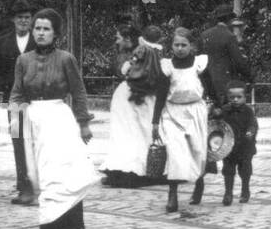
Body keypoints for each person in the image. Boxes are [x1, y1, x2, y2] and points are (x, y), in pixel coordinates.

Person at [10, 8, 100, 229]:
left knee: (60, 171)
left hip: (60, 120)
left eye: (46, 29)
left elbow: (78, 92)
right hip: (33, 121)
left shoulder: (66, 59)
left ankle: (48, 228)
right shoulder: (23, 61)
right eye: (37, 28)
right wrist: (16, 115)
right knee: (39, 173)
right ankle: (53, 221)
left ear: (55, 33)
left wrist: (83, 123)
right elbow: (17, 94)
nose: (40, 33)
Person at [152, 27, 216, 214]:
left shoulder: (199, 64)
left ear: (192, 46)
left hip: (195, 111)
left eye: (184, 45)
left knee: (197, 150)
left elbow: (210, 87)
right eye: (176, 44)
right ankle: (173, 194)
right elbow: (161, 94)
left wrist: (218, 105)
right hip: (172, 113)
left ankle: (199, 182)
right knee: (175, 152)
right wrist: (155, 121)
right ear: (171, 46)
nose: (179, 48)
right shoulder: (167, 66)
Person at [103, 24, 161, 187]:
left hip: (132, 95)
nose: (116, 41)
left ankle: (131, 169)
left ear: (128, 39)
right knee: (138, 132)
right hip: (143, 96)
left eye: (118, 38)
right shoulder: (151, 52)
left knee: (130, 133)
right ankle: (131, 168)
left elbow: (124, 71)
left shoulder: (136, 53)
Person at [0, 0, 36, 199]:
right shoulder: (2, 42)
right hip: (14, 99)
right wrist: (6, 96)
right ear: (13, 19)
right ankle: (23, 183)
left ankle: (40, 179)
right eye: (20, 17)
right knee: (18, 139)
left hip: (38, 99)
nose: (24, 21)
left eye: (27, 17)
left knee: (37, 139)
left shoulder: (39, 40)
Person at [200, 5, 250, 106]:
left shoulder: (204, 35)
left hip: (207, 82)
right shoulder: (229, 36)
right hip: (226, 83)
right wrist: (250, 76)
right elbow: (239, 62)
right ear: (229, 19)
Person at [219, 81, 258, 206]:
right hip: (229, 148)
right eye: (232, 97)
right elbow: (219, 125)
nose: (235, 100)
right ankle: (228, 193)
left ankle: (245, 190)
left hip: (245, 147)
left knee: (245, 170)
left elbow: (253, 124)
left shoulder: (248, 111)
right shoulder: (224, 110)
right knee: (228, 170)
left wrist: (250, 133)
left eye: (239, 97)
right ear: (227, 97)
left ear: (245, 97)